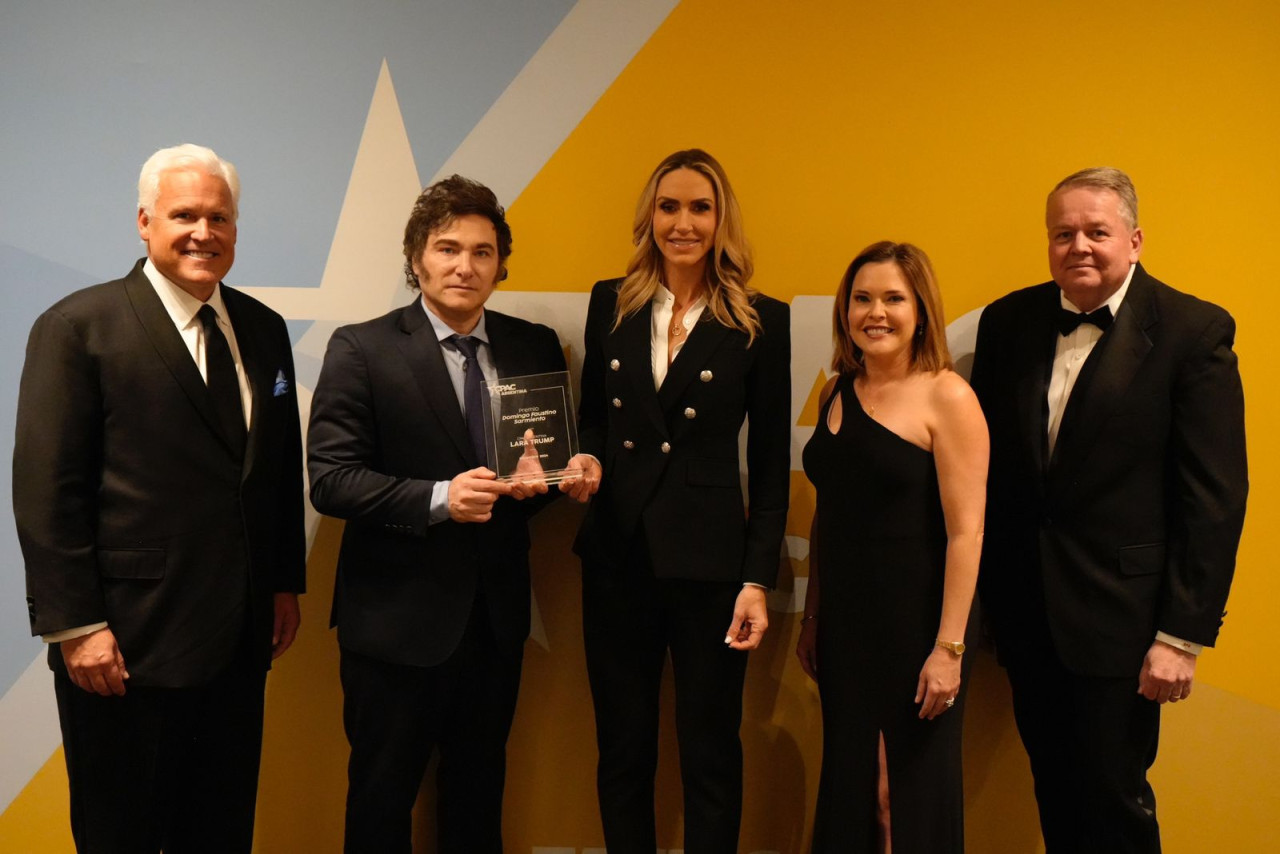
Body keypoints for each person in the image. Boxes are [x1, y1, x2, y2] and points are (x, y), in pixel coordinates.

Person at [13, 143, 306, 852]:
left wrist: (282, 584)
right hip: (124, 646)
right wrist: (75, 625)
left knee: (221, 830)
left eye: (220, 217)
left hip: (238, 642)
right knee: (125, 835)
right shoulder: (77, 327)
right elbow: (48, 487)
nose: (204, 232)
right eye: (184, 215)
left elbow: (274, 470)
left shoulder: (262, 330)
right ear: (144, 222)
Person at [969, 167, 1248, 853]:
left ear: (1135, 239)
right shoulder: (1009, 323)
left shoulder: (1193, 330)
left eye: (1097, 231)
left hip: (1127, 626)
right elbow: (993, 475)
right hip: (1029, 618)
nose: (1079, 246)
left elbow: (1213, 496)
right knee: (1055, 792)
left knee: (1114, 800)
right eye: (1063, 233)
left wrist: (1181, 635)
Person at [307, 175, 567, 853]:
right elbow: (332, 481)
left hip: (494, 620)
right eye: (447, 248)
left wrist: (573, 475)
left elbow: (537, 471)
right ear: (416, 256)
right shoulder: (361, 348)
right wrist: (439, 500)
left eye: (482, 252)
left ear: (500, 264)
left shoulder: (532, 347)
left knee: (479, 798)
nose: (464, 266)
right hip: (393, 624)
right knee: (381, 800)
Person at [567, 148, 791, 853]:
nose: (683, 223)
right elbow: (596, 421)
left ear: (721, 218)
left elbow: (772, 462)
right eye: (669, 207)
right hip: (617, 553)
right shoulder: (613, 300)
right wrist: (587, 464)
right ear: (649, 216)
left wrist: (758, 577)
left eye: (700, 207)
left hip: (711, 564)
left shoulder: (761, 318)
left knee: (710, 751)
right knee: (623, 751)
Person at [794, 241, 987, 853]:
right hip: (847, 627)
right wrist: (814, 616)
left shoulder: (947, 395)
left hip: (920, 628)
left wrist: (949, 649)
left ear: (921, 309)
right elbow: (833, 513)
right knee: (853, 787)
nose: (875, 312)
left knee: (895, 796)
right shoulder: (837, 391)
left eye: (893, 299)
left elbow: (968, 532)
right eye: (862, 298)